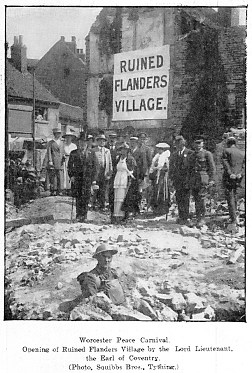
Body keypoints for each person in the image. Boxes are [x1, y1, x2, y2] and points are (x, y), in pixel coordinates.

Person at [68, 132, 98, 222]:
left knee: (86, 197)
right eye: (80, 142)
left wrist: (94, 180)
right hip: (77, 178)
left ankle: (84, 216)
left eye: (84, 142)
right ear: (78, 143)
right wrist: (71, 176)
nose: (82, 144)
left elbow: (96, 167)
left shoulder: (91, 153)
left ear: (87, 143)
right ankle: (78, 215)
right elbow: (69, 166)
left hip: (87, 179)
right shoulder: (73, 153)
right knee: (78, 196)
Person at [187, 137, 216, 227]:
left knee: (202, 199)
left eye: (200, 143)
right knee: (196, 199)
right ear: (194, 144)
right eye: (196, 143)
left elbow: (212, 168)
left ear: (203, 144)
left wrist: (211, 179)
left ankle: (202, 219)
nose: (198, 145)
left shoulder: (207, 154)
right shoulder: (192, 155)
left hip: (203, 179)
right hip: (194, 179)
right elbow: (189, 169)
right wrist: (188, 180)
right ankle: (198, 218)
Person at [169, 135, 193, 224]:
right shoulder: (174, 155)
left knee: (186, 198)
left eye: (180, 143)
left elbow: (192, 168)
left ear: (183, 143)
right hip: (177, 180)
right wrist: (171, 179)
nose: (178, 145)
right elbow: (171, 168)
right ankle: (181, 216)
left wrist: (191, 180)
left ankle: (185, 217)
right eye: (177, 143)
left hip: (187, 180)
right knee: (179, 198)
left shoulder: (190, 153)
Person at [222, 136, 245, 228]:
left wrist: (230, 173)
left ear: (228, 143)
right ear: (235, 143)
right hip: (239, 177)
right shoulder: (242, 152)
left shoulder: (226, 151)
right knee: (234, 195)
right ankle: (236, 216)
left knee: (230, 196)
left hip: (229, 177)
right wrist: (240, 174)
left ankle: (233, 218)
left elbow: (225, 164)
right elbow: (244, 165)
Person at [113, 143, 138, 223]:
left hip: (125, 179)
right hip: (118, 179)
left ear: (128, 151)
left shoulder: (130, 159)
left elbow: (133, 170)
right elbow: (114, 168)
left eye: (125, 150)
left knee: (124, 197)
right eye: (122, 149)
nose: (123, 151)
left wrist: (130, 175)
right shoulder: (118, 158)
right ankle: (117, 215)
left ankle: (124, 216)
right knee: (117, 197)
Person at [149, 143, 170, 215]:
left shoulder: (166, 157)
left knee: (162, 192)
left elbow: (167, 168)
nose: (158, 150)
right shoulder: (156, 157)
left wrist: (161, 169)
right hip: (156, 176)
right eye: (158, 149)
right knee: (155, 191)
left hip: (162, 177)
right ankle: (155, 209)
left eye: (160, 149)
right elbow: (153, 166)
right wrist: (154, 169)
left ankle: (163, 209)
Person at [94, 134, 113, 211]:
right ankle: (96, 203)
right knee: (96, 188)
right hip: (97, 172)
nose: (102, 142)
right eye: (100, 140)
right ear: (97, 141)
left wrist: (110, 171)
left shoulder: (107, 151)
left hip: (105, 172)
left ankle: (102, 204)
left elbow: (110, 162)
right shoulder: (94, 150)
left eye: (103, 141)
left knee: (104, 189)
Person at [45, 125, 64, 196]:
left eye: (59, 133)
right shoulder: (51, 142)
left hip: (61, 160)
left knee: (60, 175)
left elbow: (62, 151)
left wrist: (63, 156)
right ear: (54, 134)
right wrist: (50, 160)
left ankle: (60, 190)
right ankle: (54, 190)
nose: (58, 135)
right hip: (53, 160)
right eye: (57, 133)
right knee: (54, 175)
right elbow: (49, 152)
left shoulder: (62, 142)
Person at [107, 133, 118, 220]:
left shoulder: (118, 149)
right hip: (107, 172)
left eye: (114, 138)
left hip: (117, 173)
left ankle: (115, 208)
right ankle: (109, 206)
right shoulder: (106, 148)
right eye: (111, 138)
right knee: (109, 190)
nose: (112, 140)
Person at [62, 129, 77, 195]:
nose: (68, 139)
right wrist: (63, 156)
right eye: (66, 137)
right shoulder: (63, 145)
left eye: (69, 137)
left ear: (71, 138)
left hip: (72, 161)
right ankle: (64, 188)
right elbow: (61, 152)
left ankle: (70, 189)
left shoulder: (74, 146)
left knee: (71, 173)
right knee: (64, 173)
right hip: (65, 160)